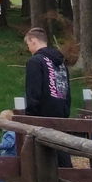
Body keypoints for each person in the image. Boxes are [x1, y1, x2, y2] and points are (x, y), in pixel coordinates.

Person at [24, 26, 72, 168]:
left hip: (42, 116)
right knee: (62, 154)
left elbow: (33, 92)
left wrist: (30, 115)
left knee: (43, 159)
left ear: (33, 41)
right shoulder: (60, 63)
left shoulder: (35, 61)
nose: (28, 48)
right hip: (61, 113)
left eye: (28, 44)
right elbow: (67, 90)